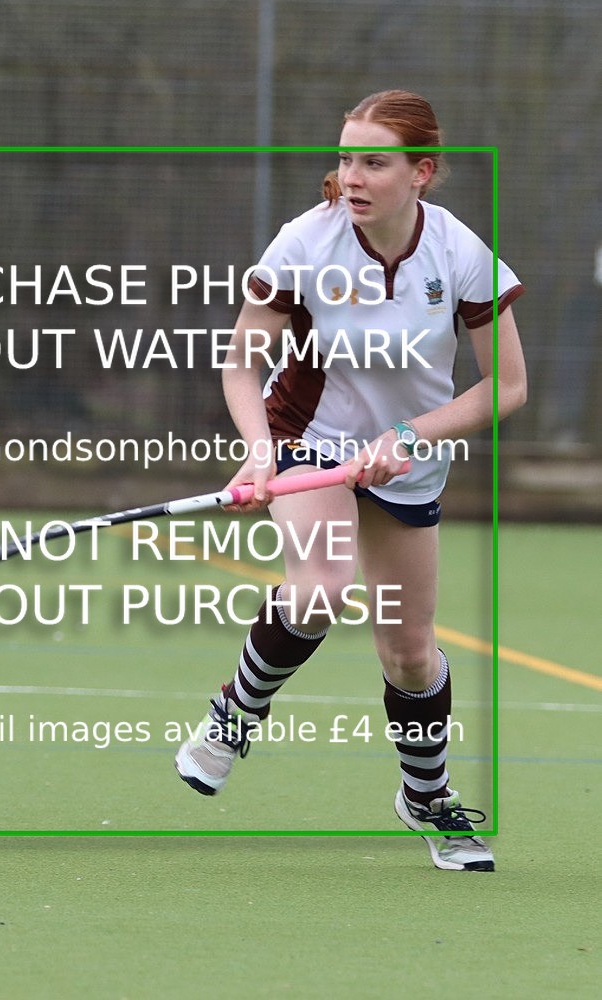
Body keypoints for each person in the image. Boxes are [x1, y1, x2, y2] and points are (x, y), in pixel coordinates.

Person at [174, 90, 527, 872]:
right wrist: (262, 452)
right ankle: (234, 716)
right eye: (345, 157)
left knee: (408, 653)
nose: (353, 175)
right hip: (308, 440)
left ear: (421, 173)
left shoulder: (461, 254)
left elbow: (504, 385)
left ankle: (425, 798)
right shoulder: (307, 242)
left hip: (407, 461)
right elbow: (240, 366)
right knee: (322, 583)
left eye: (374, 160)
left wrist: (410, 435)